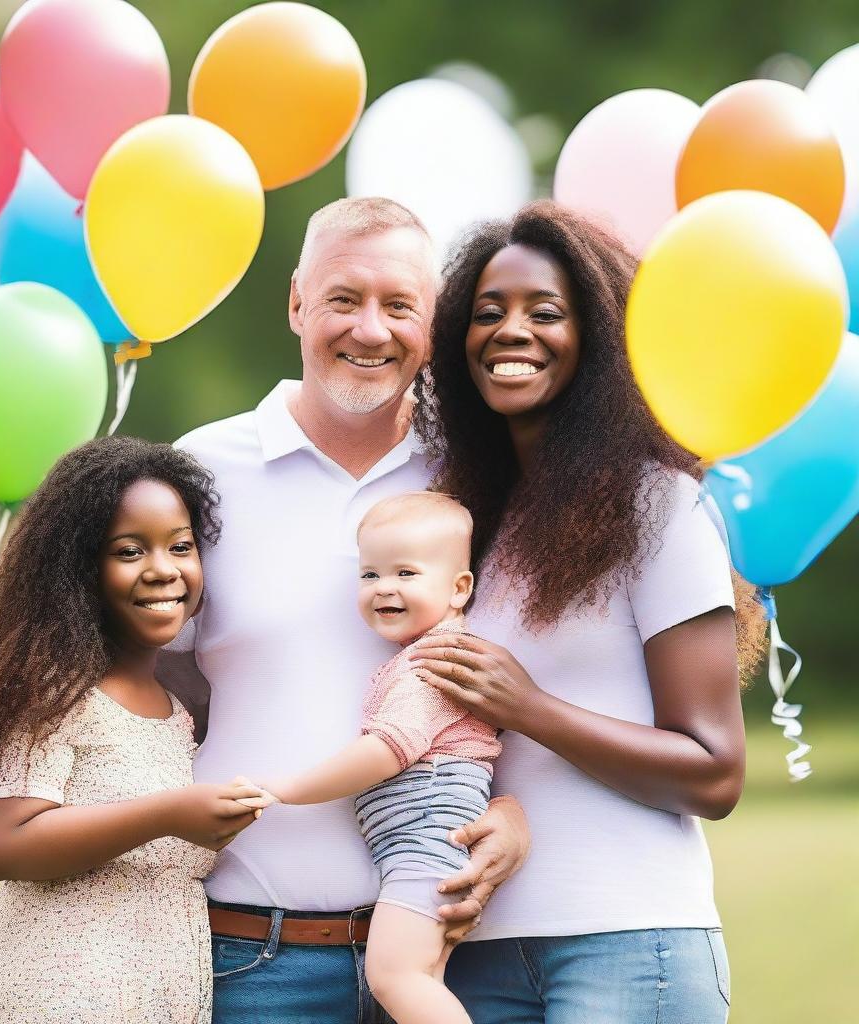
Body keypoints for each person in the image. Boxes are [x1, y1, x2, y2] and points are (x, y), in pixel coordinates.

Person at [161, 197, 530, 1024]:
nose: (371, 329)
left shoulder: (475, 478)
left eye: (400, 305)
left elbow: (522, 686)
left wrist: (514, 811)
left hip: (456, 961)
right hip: (253, 961)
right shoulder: (201, 471)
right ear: (296, 301)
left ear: (432, 325)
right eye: (343, 298)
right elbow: (155, 693)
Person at [406, 200, 768, 1024]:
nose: (511, 331)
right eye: (487, 313)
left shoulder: (659, 508)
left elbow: (715, 773)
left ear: (598, 339)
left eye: (546, 312)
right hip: (470, 952)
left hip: (629, 945)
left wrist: (528, 707)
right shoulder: (465, 521)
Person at [0, 437, 269, 1024]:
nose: (164, 570)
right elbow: (9, 843)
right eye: (129, 551)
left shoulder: (177, 707)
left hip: (148, 995)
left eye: (181, 546)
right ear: (78, 570)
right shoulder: (50, 690)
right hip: (53, 992)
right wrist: (170, 815)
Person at [241, 491, 501, 1024]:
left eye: (406, 573)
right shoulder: (425, 656)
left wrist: (290, 789)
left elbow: (385, 751)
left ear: (459, 589)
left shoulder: (434, 664)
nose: (385, 587)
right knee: (421, 984)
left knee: (393, 977)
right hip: (419, 850)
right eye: (370, 575)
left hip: (426, 847)